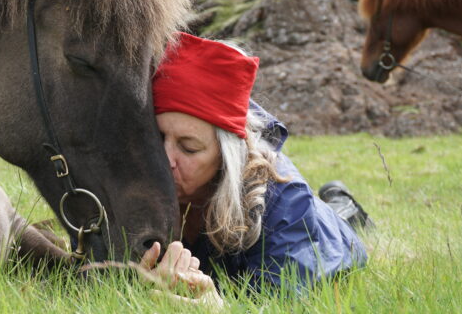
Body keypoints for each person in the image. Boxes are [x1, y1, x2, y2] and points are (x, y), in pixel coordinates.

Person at [139, 33, 371, 298]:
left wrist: (214, 311)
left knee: (338, 220)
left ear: (228, 156)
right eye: (158, 139)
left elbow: (278, 311)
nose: (165, 160)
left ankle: (345, 204)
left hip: (327, 240)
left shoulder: (284, 202)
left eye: (189, 148)